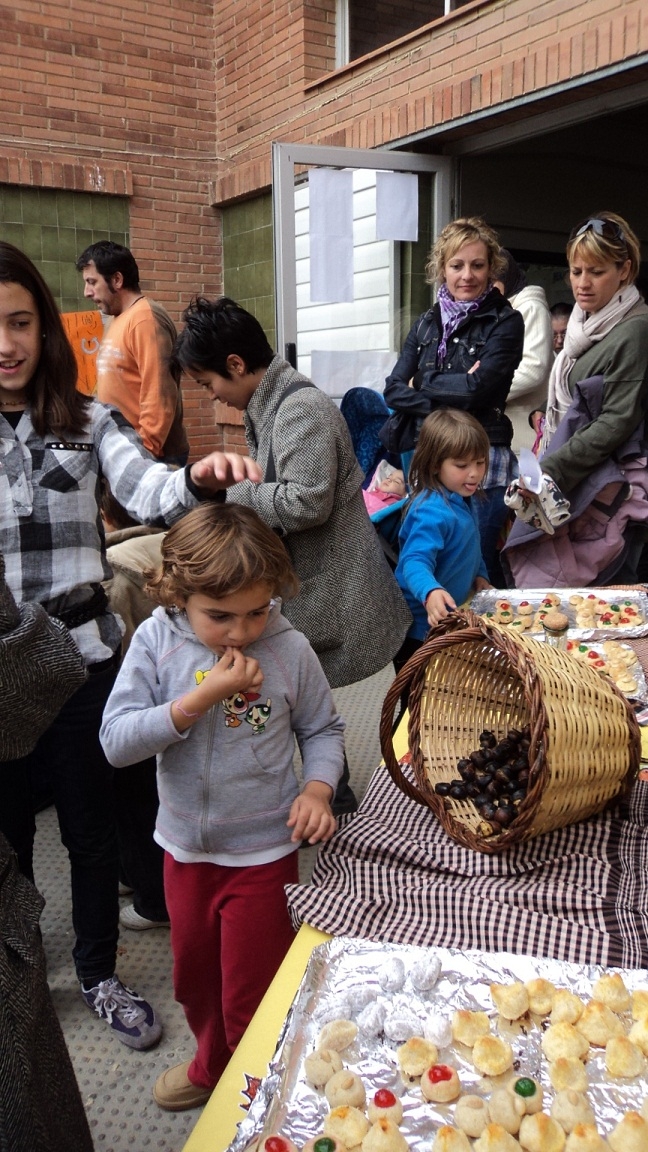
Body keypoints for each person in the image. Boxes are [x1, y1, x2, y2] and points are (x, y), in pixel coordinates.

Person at [0, 240, 262, 1049]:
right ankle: (19, 976)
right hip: (1, 667)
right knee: (8, 839)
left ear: (45, 329)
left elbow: (146, 483)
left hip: (79, 657)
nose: (4, 343)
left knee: (91, 833)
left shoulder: (85, 420)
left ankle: (97, 974)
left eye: (18, 322)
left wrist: (197, 479)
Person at [100, 503, 345, 1110]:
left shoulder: (289, 649)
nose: (241, 632)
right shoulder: (157, 641)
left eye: (256, 611)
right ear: (178, 595)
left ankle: (255, 1090)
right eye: (220, 617)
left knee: (251, 989)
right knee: (196, 980)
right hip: (183, 848)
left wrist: (317, 787)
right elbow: (116, 741)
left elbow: (324, 731)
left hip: (263, 852)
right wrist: (197, 699)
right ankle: (213, 1064)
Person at [171, 296, 413, 814]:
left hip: (335, 578)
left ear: (236, 365)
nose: (214, 396)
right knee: (306, 688)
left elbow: (307, 501)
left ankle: (341, 792)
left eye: (209, 384)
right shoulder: (271, 403)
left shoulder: (298, 408)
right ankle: (337, 788)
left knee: (308, 692)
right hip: (316, 576)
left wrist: (231, 492)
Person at [503, 212, 648, 587]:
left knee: (610, 597)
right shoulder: (586, 324)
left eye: (596, 272)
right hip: (581, 474)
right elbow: (576, 403)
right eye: (575, 270)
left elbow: (616, 421)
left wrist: (551, 469)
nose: (582, 284)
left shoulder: (635, 330)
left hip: (613, 488)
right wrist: (543, 416)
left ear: (625, 270)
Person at [383, 217, 524, 584]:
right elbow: (394, 388)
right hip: (425, 450)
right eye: (457, 265)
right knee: (429, 549)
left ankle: (483, 637)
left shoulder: (505, 321)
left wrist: (424, 380)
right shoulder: (427, 322)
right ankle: (433, 632)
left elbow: (479, 389)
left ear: (491, 268)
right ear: (441, 268)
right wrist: (451, 394)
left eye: (477, 265)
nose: (467, 275)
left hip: (481, 453)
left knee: (476, 557)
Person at [393, 409, 492, 673]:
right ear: (435, 464)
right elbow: (413, 562)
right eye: (462, 466)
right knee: (418, 701)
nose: (474, 473)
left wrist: (479, 575)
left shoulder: (460, 497)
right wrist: (430, 591)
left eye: (480, 462)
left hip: (448, 618)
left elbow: (471, 547)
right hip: (420, 629)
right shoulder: (431, 511)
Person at [76, 240, 188, 464]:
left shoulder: (145, 319)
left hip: (150, 456)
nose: (87, 292)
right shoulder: (117, 318)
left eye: (92, 282)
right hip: (124, 451)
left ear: (117, 280)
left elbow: (159, 395)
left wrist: (143, 456)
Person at [495, 250, 553, 456]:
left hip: (522, 435)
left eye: (492, 282)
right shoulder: (497, 310)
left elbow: (533, 370)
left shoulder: (530, 307)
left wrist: (480, 390)